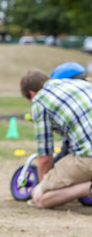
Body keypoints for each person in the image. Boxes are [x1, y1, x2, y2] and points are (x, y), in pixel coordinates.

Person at [20, 69, 92, 209]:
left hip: (88, 156)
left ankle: (88, 188)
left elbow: (45, 156)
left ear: (32, 93)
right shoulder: (78, 84)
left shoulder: (40, 101)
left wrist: (44, 184)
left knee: (40, 197)